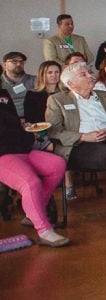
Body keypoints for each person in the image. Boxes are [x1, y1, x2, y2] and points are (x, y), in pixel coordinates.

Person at [45, 63, 106, 231]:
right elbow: (54, 131)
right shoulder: (58, 100)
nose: (91, 76)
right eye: (83, 74)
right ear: (71, 84)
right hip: (80, 147)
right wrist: (83, 136)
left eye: (89, 72)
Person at [0, 87, 69, 247]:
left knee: (57, 164)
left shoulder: (3, 93)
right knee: (30, 183)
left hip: (21, 148)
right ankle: (44, 231)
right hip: (3, 155)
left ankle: (33, 213)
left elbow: (12, 120)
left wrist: (23, 126)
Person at [24, 60, 62, 125]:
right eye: (50, 72)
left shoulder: (66, 93)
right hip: (42, 129)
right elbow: (30, 118)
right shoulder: (32, 94)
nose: (54, 75)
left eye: (57, 72)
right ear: (42, 75)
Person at [2, 51, 36, 118]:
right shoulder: (1, 82)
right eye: (14, 61)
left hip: (31, 118)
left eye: (21, 62)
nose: (18, 64)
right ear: (4, 64)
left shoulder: (34, 80)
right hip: (6, 120)